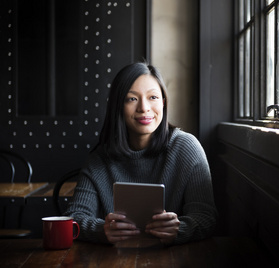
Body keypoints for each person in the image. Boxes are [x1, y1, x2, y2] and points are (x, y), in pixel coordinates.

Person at [64, 62, 217, 245]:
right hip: (115, 260)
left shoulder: (186, 148)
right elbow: (74, 218)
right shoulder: (100, 158)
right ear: (118, 106)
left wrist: (180, 229)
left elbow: (206, 217)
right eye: (131, 99)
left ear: (163, 102)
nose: (144, 108)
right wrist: (102, 230)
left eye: (153, 97)